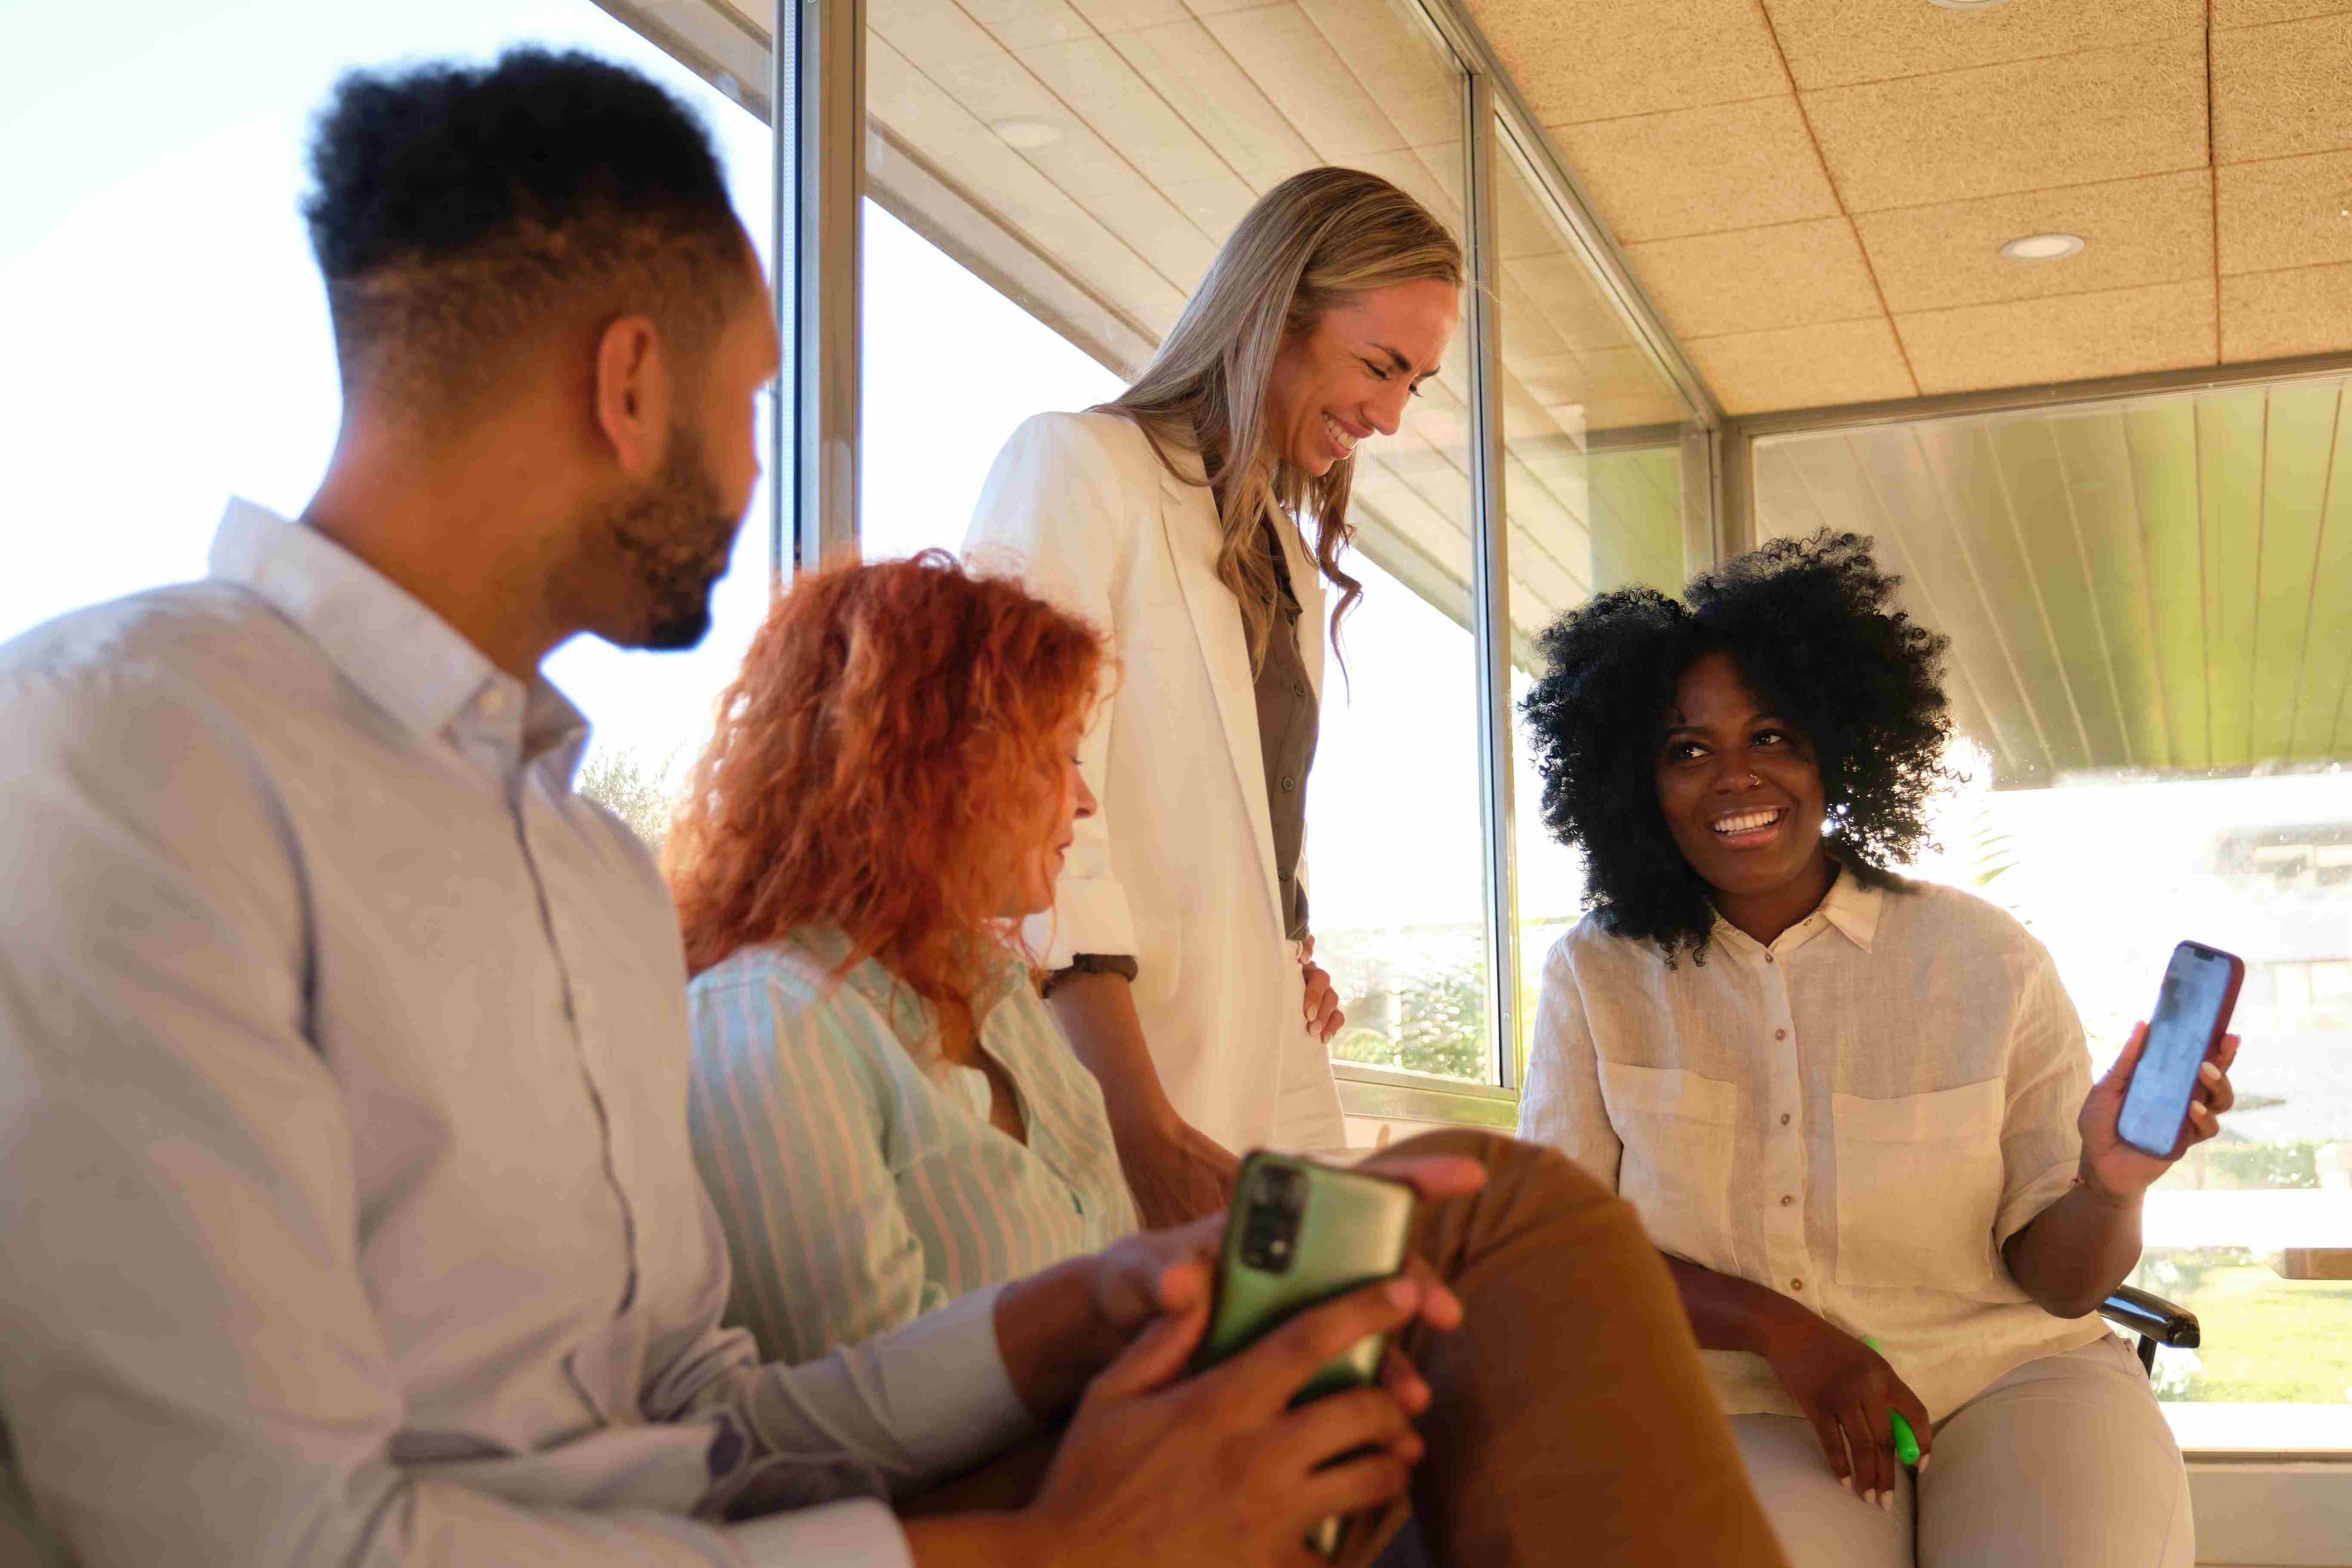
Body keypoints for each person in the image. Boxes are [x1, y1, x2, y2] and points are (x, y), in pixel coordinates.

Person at [0, 51, 1471, 1567]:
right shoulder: (126, 752)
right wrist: (1053, 1550)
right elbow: (256, 1538)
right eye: (758, 396)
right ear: (630, 382)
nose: (768, 461)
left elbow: (698, 1420)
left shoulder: (575, 865)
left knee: (1486, 1296)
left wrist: (1056, 1318)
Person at [662, 551, 1796, 1565]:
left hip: (1137, 1425)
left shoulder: (1003, 998)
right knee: (1503, 1206)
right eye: (1058, 757)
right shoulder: (773, 1021)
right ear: (930, 773)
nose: (1086, 796)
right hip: (1025, 1508)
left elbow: (1113, 1271)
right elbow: (846, 1458)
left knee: (1471, 1318)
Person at [1515, 532, 2235, 1567]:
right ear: (1637, 780)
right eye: (1687, 750)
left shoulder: (1984, 957)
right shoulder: (1596, 974)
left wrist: (2110, 1186)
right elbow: (1566, 1248)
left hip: (2012, 1379)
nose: (1735, 780)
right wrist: (1786, 1332)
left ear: (1836, 749)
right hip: (1747, 1401)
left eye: (1774, 737)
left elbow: (2065, 1283)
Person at [965, 167, 1462, 1225]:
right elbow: (1022, 814)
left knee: (1334, 1352)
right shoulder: (1077, 467)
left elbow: (1246, 808)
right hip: (1124, 1087)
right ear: (1275, 314)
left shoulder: (1280, 547)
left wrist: (1286, 938)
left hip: (1266, 1061)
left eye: (1413, 383)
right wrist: (1139, 1127)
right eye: (1379, 367)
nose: (1387, 417)